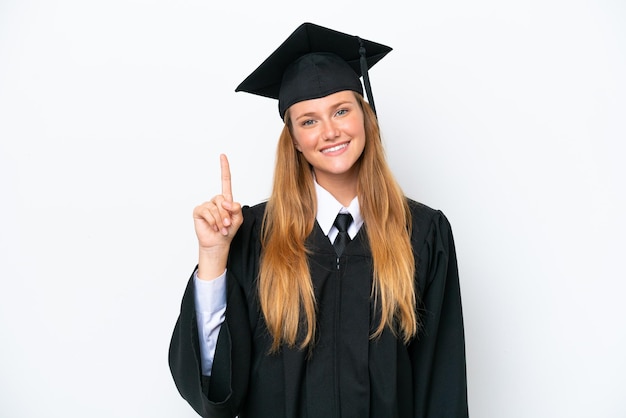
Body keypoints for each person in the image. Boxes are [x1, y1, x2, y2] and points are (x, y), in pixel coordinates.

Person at [169, 22, 468, 418]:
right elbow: (216, 390)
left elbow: (441, 386)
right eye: (309, 120)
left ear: (365, 117)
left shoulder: (423, 234)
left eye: (341, 111)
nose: (330, 132)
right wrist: (213, 258)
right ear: (293, 138)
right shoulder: (255, 237)